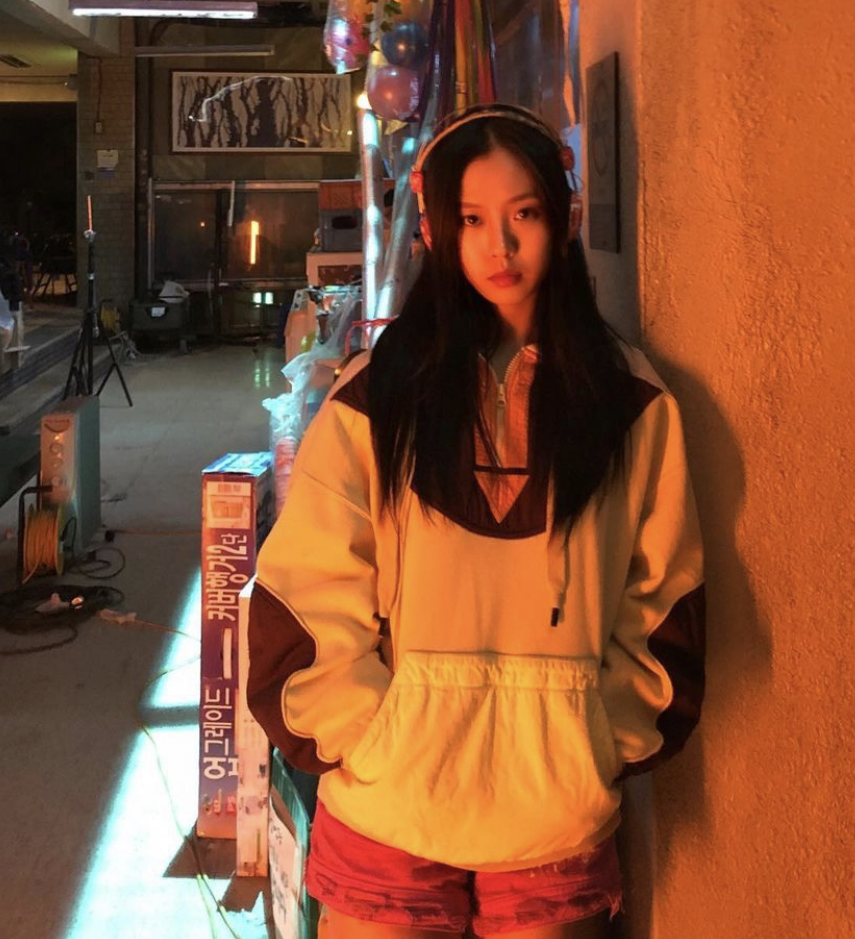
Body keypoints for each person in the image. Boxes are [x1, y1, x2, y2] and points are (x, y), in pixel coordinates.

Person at [248, 104, 705, 939]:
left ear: (563, 219)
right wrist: (372, 737)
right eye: (470, 219)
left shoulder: (628, 402)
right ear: (433, 231)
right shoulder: (376, 397)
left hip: (552, 818)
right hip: (387, 810)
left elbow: (662, 594)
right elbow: (306, 585)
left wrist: (593, 739)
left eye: (523, 212)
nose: (500, 245)